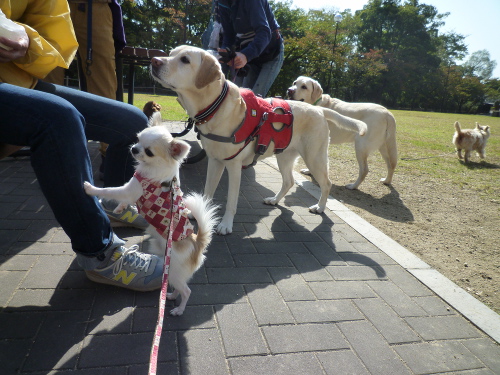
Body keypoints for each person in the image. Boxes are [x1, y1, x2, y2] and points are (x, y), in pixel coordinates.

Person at [0, 0, 163, 291]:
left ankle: (115, 204)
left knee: (133, 121)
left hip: (18, 78)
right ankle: (100, 255)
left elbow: (56, 35)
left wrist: (27, 41)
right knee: (60, 120)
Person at [216, 0, 284, 97]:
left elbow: (264, 33)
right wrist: (225, 50)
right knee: (240, 98)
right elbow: (229, 34)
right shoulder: (222, 3)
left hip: (271, 53)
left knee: (255, 98)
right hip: (251, 56)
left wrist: (245, 55)